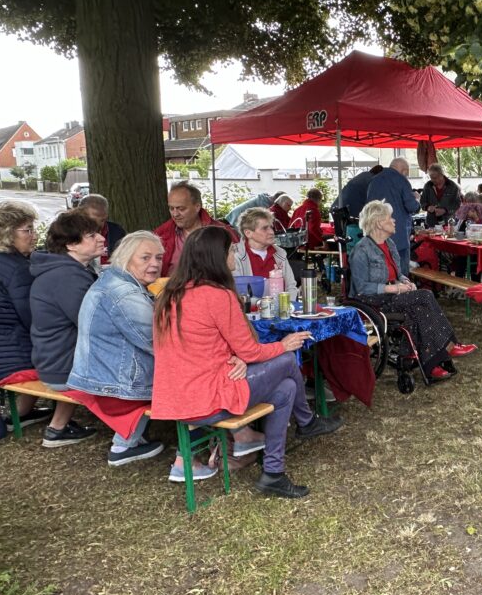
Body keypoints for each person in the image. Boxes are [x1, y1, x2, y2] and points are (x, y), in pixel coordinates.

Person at [152, 226, 340, 498]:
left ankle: (273, 473)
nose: (234, 255)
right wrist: (282, 345)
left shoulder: (169, 295)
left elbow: (190, 345)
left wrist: (232, 357)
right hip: (208, 398)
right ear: (217, 257)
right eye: (230, 250)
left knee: (286, 388)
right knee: (287, 359)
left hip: (177, 397)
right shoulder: (217, 295)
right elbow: (251, 351)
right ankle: (307, 422)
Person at [67, 232, 169, 466]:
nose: (154, 264)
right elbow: (158, 344)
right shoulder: (124, 293)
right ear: (125, 258)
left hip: (99, 376)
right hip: (115, 386)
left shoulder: (112, 280)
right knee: (194, 376)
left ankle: (126, 441)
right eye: (145, 258)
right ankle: (125, 446)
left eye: (158, 257)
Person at [349, 200, 477, 381]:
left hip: (390, 296)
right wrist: (393, 288)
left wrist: (405, 281)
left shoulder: (389, 244)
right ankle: (450, 345)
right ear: (378, 222)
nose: (394, 221)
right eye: (389, 218)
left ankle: (430, 365)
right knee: (425, 295)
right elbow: (361, 287)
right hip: (371, 301)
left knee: (418, 311)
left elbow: (398, 273)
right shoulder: (361, 250)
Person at [0, 202, 50, 426]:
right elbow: (34, 320)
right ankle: (48, 422)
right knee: (59, 353)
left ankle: (22, 413)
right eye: (27, 230)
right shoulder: (17, 268)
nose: (33, 236)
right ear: (6, 233)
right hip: (0, 364)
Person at [29, 210, 104, 447]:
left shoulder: (64, 270)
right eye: (91, 236)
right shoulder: (67, 277)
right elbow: (95, 325)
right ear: (71, 245)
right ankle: (129, 439)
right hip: (63, 368)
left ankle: (58, 427)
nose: (101, 238)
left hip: (51, 360)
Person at [155, 181, 234, 277]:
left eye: (181, 209)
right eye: (171, 208)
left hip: (213, 289)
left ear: (197, 207)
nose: (175, 214)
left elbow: (239, 268)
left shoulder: (223, 232)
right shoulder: (160, 234)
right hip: (172, 290)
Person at [366, 158, 421, 274]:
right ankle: (401, 291)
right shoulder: (402, 180)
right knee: (400, 272)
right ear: (404, 171)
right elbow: (411, 206)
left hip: (375, 234)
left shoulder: (374, 180)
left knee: (380, 271)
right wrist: (417, 200)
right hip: (397, 234)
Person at [232, 208, 297, 292]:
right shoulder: (234, 255)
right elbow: (237, 293)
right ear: (248, 233)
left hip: (282, 304)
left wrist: (288, 304)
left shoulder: (280, 253)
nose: (271, 232)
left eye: (271, 227)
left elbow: (291, 287)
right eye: (265, 228)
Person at [77, 193, 127, 265]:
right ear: (80, 215)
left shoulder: (117, 231)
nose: (99, 224)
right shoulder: (70, 232)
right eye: (93, 220)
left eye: (103, 220)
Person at [419, 163, 461, 228]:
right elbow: (422, 202)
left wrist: (445, 210)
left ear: (441, 175)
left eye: (435, 178)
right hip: (431, 223)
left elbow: (457, 204)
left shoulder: (452, 186)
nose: (432, 180)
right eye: (431, 177)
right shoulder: (428, 186)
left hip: (448, 223)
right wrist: (428, 207)